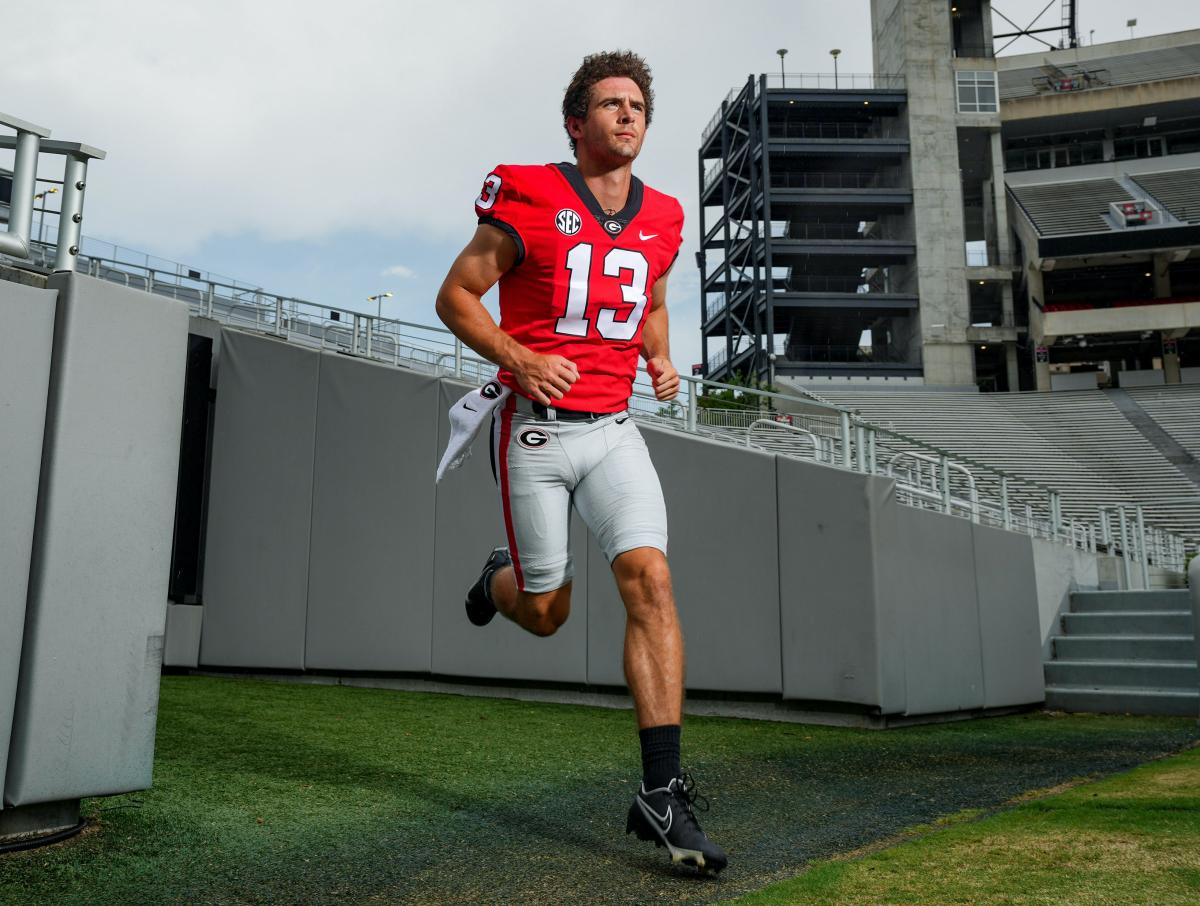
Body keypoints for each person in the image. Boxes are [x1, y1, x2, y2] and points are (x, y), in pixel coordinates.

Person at [435, 50, 726, 875]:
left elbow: (655, 298)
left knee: (651, 580)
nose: (629, 115)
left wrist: (662, 358)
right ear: (577, 121)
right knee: (546, 613)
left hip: (613, 428)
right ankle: (501, 580)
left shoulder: (664, 215)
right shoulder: (528, 193)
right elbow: (456, 294)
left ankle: (661, 794)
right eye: (611, 103)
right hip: (534, 429)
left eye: (638, 104)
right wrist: (517, 357)